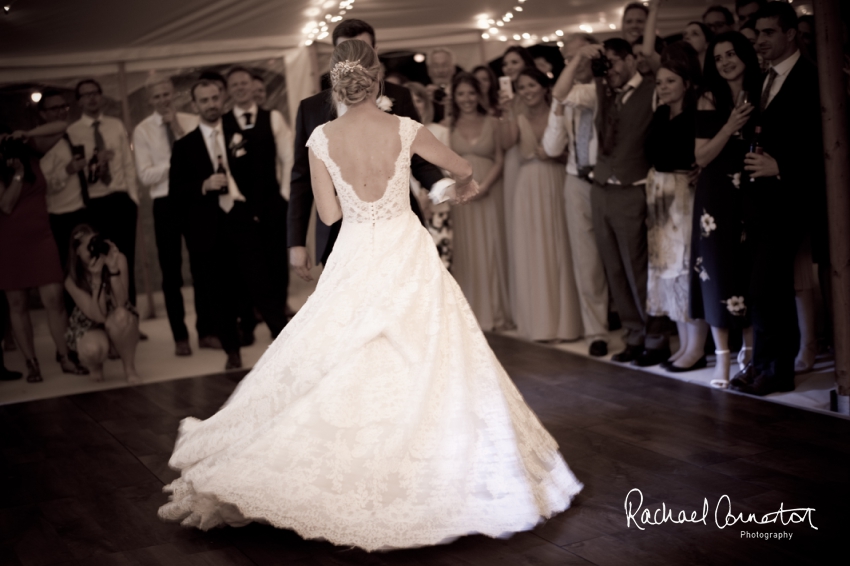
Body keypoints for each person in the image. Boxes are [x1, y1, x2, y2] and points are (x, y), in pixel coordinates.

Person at [158, 38, 582, 548]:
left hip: (356, 250)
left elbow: (330, 214)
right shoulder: (405, 128)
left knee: (340, 348)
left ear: (336, 83)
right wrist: (460, 187)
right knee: (428, 350)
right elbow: (462, 169)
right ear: (378, 81)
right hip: (406, 247)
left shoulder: (319, 137)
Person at [288, 19, 449, 279]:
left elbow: (419, 158)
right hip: (337, 233)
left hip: (396, 227)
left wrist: (440, 186)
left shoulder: (400, 95)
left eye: (362, 49)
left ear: (375, 51)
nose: (355, 58)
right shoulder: (311, 108)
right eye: (346, 51)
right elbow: (302, 178)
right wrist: (296, 241)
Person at [732, 3, 824, 396]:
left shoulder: (812, 78)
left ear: (790, 33)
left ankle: (777, 369)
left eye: (769, 32)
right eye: (758, 34)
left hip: (790, 198)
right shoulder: (760, 79)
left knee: (771, 287)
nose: (761, 41)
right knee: (761, 288)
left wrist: (781, 166)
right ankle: (762, 364)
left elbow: (825, 145)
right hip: (757, 200)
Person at [575, 22, 671, 366]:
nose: (610, 69)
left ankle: (656, 337)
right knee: (614, 268)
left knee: (639, 267)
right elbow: (563, 93)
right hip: (600, 189)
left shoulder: (652, 88)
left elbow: (664, 72)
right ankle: (633, 335)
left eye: (615, 61)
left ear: (632, 59)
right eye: (606, 64)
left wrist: (653, 16)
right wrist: (585, 62)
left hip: (633, 188)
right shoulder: (602, 87)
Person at [691, 32, 760, 387]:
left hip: (752, 188)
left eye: (731, 54)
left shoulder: (762, 90)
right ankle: (722, 360)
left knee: (747, 271)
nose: (726, 62)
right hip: (716, 195)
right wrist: (730, 125)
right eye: (718, 58)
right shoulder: (708, 98)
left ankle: (749, 356)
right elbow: (701, 156)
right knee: (717, 272)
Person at [0, 124, 89, 382]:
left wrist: (26, 134)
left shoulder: (31, 151)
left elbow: (63, 127)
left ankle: (65, 357)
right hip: (9, 241)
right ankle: (32, 363)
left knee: (54, 300)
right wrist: (17, 174)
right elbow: (5, 205)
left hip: (41, 237)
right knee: (17, 304)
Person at [169, 79, 244, 372]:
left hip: (241, 218)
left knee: (254, 283)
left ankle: (271, 336)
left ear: (222, 98)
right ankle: (232, 349)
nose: (212, 104)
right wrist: (203, 184)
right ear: (195, 105)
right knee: (218, 291)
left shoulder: (239, 133)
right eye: (205, 100)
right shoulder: (184, 146)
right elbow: (176, 190)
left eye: (215, 98)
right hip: (207, 227)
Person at [504, 68, 581, 342]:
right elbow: (505, 143)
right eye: (522, 87)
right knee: (534, 250)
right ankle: (540, 323)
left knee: (562, 247)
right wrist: (507, 112)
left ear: (544, 86)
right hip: (528, 187)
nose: (527, 91)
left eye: (531, 85)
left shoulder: (561, 111)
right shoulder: (518, 116)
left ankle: (567, 324)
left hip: (557, 179)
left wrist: (555, 156)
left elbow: (575, 151)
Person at [546, 33, 610, 357]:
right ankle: (596, 331)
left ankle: (635, 326)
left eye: (578, 57)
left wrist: (561, 96)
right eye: (568, 59)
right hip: (575, 180)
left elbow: (562, 92)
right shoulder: (566, 96)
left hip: (609, 181)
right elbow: (551, 147)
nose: (573, 65)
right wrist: (557, 112)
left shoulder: (603, 87)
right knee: (587, 263)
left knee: (619, 258)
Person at [644, 45, 707, 373]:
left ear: (686, 83)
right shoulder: (659, 114)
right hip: (660, 199)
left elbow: (694, 156)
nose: (663, 87)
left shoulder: (694, 116)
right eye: (659, 82)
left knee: (685, 270)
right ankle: (683, 345)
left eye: (669, 81)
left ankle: (696, 349)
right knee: (667, 272)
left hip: (684, 198)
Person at [133, 75, 199, 357]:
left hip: (194, 198)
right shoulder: (142, 130)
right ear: (150, 100)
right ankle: (180, 336)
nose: (163, 100)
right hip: (165, 202)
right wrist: (175, 163)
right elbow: (145, 175)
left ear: (174, 94)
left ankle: (207, 330)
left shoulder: (191, 121)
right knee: (170, 271)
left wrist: (176, 127)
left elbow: (198, 162)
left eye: (166, 94)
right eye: (157, 96)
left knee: (202, 265)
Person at [66, 79, 140, 306]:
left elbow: (128, 162)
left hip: (120, 198)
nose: (92, 98)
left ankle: (129, 313)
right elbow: (72, 170)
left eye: (95, 93)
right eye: (86, 95)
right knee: (97, 259)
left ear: (101, 95)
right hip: (93, 202)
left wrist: (133, 197)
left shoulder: (115, 124)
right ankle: (105, 313)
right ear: (79, 101)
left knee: (125, 258)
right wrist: (94, 162)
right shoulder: (73, 131)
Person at [448, 72, 511, 331]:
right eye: (461, 93)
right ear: (454, 96)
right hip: (462, 196)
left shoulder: (493, 122)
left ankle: (497, 312)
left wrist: (484, 186)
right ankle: (471, 313)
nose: (467, 99)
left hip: (490, 192)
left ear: (479, 95)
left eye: (471, 93)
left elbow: (500, 159)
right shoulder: (447, 127)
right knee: (468, 252)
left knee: (494, 248)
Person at [65, 224, 139, 384]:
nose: (94, 251)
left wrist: (113, 269)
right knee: (92, 350)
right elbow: (98, 316)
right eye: (88, 247)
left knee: (122, 316)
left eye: (95, 243)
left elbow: (121, 303)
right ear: (76, 251)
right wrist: (96, 279)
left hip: (116, 317)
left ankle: (129, 368)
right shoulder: (72, 280)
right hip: (90, 324)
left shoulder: (118, 259)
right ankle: (95, 367)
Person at [497, 45, 536, 317]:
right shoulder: (508, 100)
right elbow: (507, 141)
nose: (509, 68)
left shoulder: (535, 95)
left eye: (514, 62)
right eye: (506, 64)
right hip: (514, 163)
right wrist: (507, 111)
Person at [38, 90, 91, 282]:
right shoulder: (42, 144)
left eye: (63, 107)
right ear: (43, 114)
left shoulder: (73, 134)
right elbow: (43, 185)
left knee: (88, 267)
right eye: (54, 108)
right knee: (68, 269)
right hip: (61, 216)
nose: (61, 112)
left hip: (83, 209)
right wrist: (66, 171)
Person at [407, 81, 453, 269]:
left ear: (425, 103)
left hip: (438, 207)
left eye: (418, 99)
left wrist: (430, 193)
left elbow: (448, 168)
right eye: (410, 99)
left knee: (441, 262)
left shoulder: (440, 131)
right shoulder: (396, 133)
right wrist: (418, 193)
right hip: (410, 207)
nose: (414, 104)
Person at [425, 47, 458, 123]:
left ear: (453, 68)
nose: (440, 70)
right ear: (429, 70)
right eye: (436, 66)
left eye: (445, 65)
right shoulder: (423, 95)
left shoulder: (460, 94)